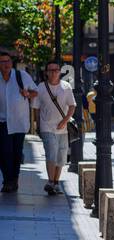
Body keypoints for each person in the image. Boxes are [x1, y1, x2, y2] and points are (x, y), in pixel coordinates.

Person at [33, 61, 75, 195]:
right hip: (47, 126)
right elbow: (36, 108)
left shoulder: (66, 87)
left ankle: (56, 183)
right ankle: (50, 181)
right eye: (50, 70)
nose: (53, 72)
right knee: (51, 153)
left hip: (63, 128)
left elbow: (72, 106)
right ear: (46, 72)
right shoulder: (41, 87)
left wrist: (65, 120)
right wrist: (38, 125)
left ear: (59, 72)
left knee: (61, 157)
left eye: (56, 70)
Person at [0, 48, 38, 194]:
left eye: (8, 61)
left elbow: (35, 92)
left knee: (16, 152)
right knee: (3, 152)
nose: (6, 64)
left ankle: (13, 179)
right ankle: (7, 179)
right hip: (2, 122)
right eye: (2, 62)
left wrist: (27, 94)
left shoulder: (21, 76)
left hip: (19, 122)